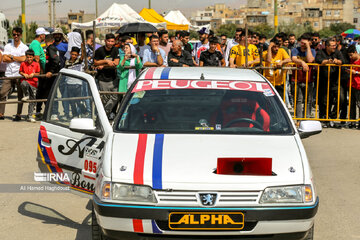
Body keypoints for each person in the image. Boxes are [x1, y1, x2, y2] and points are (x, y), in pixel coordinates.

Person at [0, 27, 28, 121]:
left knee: (20, 95)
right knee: (2, 93)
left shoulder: (24, 47)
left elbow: (24, 59)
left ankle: (18, 114)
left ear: (20, 35)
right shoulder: (8, 46)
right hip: (8, 74)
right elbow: (4, 59)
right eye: (14, 34)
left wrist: (11, 56)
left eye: (17, 34)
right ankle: (1, 113)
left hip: (19, 74)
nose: (16, 36)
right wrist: (18, 58)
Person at [315, 38, 344, 127]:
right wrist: (327, 61)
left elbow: (342, 61)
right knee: (324, 101)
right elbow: (318, 60)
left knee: (341, 98)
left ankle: (332, 116)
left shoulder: (337, 52)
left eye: (335, 45)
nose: (334, 47)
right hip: (323, 81)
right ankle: (324, 119)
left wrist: (337, 61)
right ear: (327, 46)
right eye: (332, 46)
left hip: (335, 81)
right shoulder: (321, 52)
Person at [94, 33, 120, 119]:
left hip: (113, 77)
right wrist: (106, 61)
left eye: (112, 41)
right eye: (108, 41)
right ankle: (104, 115)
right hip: (102, 78)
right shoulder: (99, 50)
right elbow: (95, 62)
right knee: (105, 98)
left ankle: (104, 113)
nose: (110, 43)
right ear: (105, 41)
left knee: (115, 96)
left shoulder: (116, 50)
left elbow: (116, 63)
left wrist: (104, 65)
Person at [291, 33, 316, 118]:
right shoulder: (295, 50)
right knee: (298, 100)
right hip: (297, 79)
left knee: (308, 100)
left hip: (308, 80)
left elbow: (310, 59)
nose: (302, 45)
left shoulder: (312, 51)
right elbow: (294, 59)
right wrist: (302, 62)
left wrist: (308, 47)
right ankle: (299, 119)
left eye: (304, 43)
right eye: (301, 43)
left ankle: (307, 117)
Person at [36, 34, 61, 118]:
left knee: (49, 94)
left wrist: (51, 71)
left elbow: (56, 60)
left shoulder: (51, 49)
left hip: (51, 76)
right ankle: (42, 112)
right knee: (43, 93)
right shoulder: (52, 48)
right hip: (49, 76)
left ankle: (54, 113)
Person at [18, 49, 40, 122]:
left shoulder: (36, 64)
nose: (29, 59)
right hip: (26, 81)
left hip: (33, 83)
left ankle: (30, 115)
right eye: (28, 57)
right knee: (23, 83)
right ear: (26, 57)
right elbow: (20, 71)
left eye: (30, 57)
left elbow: (38, 73)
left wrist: (33, 74)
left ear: (33, 57)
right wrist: (24, 74)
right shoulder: (23, 64)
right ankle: (26, 95)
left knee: (32, 100)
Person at [346, 44, 360, 128]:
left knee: (359, 104)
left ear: (355, 52)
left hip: (358, 85)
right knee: (351, 104)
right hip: (351, 84)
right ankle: (352, 121)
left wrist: (356, 73)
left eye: (351, 55)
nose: (350, 57)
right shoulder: (351, 61)